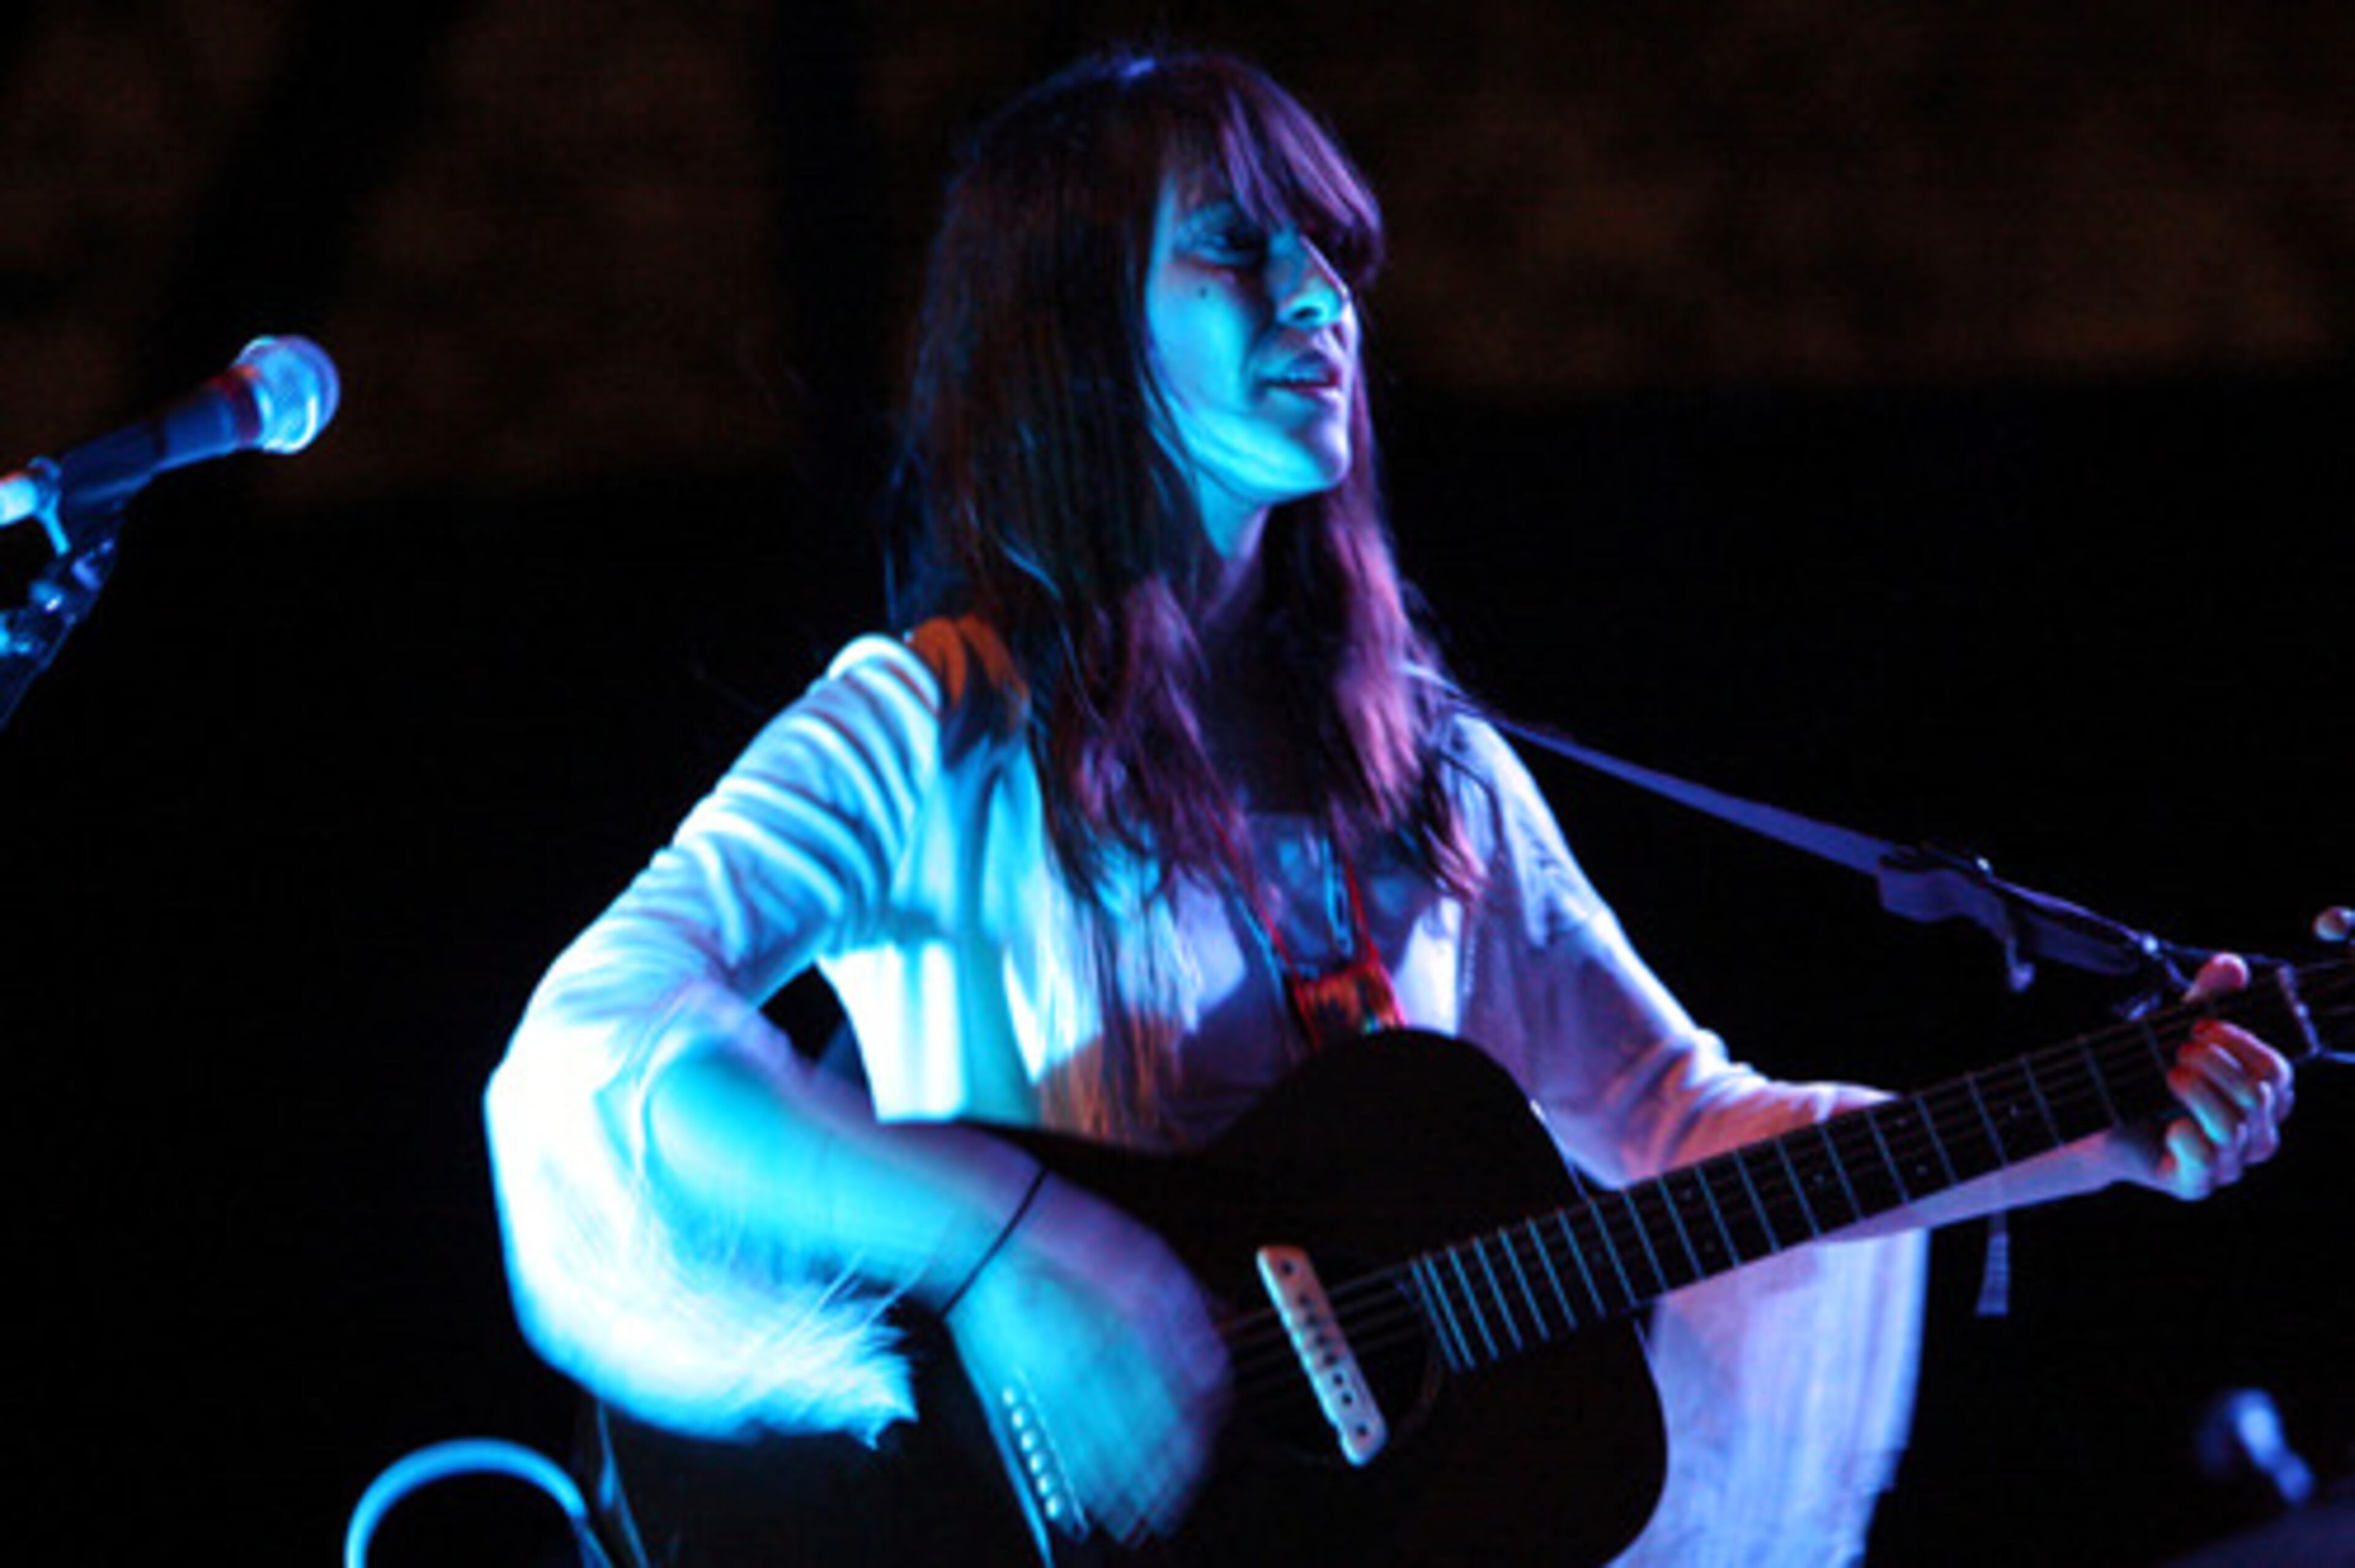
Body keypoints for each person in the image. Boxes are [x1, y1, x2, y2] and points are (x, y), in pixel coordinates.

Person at [482, 47, 2296, 1566]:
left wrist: (2101, 1129)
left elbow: (1672, 1120)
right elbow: (604, 1050)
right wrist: (1015, 1244)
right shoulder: (936, 725)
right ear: (1075, 336)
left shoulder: (1426, 772)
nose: (1317, 298)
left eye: (1331, 254)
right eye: (1233, 250)